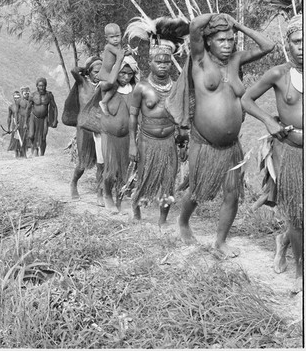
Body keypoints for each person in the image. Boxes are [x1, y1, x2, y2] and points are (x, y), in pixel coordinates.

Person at [171, 13, 274, 257]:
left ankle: (220, 242)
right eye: (221, 40)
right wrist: (221, 16)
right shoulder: (200, 60)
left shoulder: (236, 61)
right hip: (204, 142)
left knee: (232, 194)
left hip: (231, 146)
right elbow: (195, 25)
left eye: (230, 40)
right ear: (208, 42)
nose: (227, 45)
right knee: (198, 190)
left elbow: (268, 46)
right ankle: (183, 222)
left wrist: (237, 24)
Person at [241, 14, 302, 293]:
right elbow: (246, 99)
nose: (302, 46)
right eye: (297, 41)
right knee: (298, 215)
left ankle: (282, 241)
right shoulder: (279, 73)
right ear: (287, 44)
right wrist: (268, 120)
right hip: (291, 151)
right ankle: (301, 272)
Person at [129, 40, 184, 226]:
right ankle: (136, 213)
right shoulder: (142, 87)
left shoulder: (176, 87)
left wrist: (184, 140)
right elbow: (133, 116)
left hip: (169, 141)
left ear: (171, 64)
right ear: (150, 63)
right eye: (158, 62)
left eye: (167, 62)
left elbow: (182, 116)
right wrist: (132, 144)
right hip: (147, 141)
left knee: (168, 181)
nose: (162, 65)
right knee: (144, 177)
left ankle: (162, 220)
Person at [99, 49, 140, 213]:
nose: (125, 77)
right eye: (122, 73)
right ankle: (107, 194)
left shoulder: (135, 89)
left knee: (125, 168)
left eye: (129, 74)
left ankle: (120, 197)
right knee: (111, 168)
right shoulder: (108, 87)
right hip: (109, 135)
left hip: (127, 137)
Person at [69, 56, 104, 202]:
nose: (99, 74)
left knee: (101, 163)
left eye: (101, 71)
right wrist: (86, 68)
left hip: (100, 128)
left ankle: (100, 194)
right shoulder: (82, 83)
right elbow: (74, 70)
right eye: (96, 71)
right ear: (89, 72)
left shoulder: (105, 85)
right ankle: (73, 183)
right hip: (84, 128)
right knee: (83, 163)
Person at [26, 77, 58, 156]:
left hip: (44, 118)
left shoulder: (49, 95)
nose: (41, 87)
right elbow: (28, 108)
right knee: (31, 135)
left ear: (45, 86)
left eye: (43, 86)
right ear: (37, 86)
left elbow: (54, 107)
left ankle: (42, 154)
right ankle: (34, 147)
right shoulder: (33, 95)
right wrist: (25, 122)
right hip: (34, 117)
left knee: (43, 136)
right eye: (40, 86)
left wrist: (54, 120)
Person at [98, 23, 124, 116]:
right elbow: (119, 55)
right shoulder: (109, 47)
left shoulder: (118, 46)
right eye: (112, 37)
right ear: (107, 38)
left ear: (121, 35)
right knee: (115, 84)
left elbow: (121, 53)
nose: (115, 39)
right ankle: (104, 102)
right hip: (105, 74)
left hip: (112, 72)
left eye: (117, 36)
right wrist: (125, 52)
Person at [7, 90, 23, 158]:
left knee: (22, 138)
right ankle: (16, 154)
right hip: (14, 125)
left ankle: (22, 153)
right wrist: (8, 128)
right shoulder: (11, 107)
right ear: (13, 98)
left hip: (22, 125)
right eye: (15, 97)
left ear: (20, 97)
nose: (16, 99)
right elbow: (9, 117)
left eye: (18, 97)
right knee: (15, 139)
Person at [18, 86, 31, 158]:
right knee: (23, 136)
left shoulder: (31, 101)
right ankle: (22, 153)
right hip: (22, 121)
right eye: (25, 94)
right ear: (22, 94)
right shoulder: (19, 102)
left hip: (30, 120)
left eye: (28, 93)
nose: (27, 95)